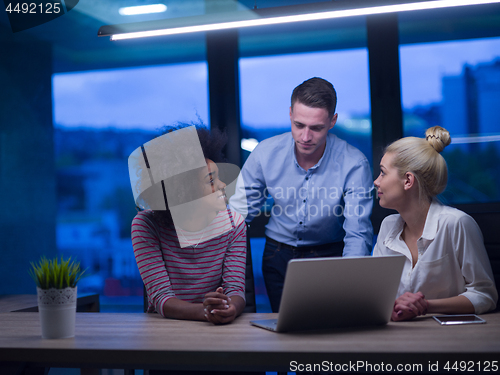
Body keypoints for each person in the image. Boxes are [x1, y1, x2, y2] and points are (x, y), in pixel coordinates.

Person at [230, 77, 374, 312]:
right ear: (290, 114)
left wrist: (352, 284)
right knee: (286, 331)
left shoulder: (354, 163)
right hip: (277, 254)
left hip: (329, 254)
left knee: (333, 330)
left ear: (332, 121)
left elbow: (358, 234)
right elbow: (237, 215)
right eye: (299, 125)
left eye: (316, 128)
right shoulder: (265, 153)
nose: (305, 137)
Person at [373, 126, 498, 321]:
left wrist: (426, 306)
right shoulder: (388, 226)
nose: (376, 181)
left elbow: (484, 296)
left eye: (383, 173)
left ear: (408, 180)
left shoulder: (456, 223)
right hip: (397, 333)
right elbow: (378, 294)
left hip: (450, 336)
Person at [131, 125, 247, 325]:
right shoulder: (146, 225)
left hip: (219, 331)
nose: (222, 185)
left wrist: (230, 308)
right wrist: (205, 311)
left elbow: (236, 290)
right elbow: (162, 299)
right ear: (183, 190)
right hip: (165, 331)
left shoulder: (233, 224)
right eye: (211, 180)